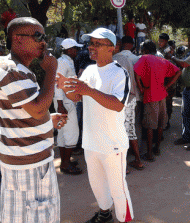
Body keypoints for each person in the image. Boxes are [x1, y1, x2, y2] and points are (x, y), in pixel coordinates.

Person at [56, 28, 133, 223]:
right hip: (91, 142)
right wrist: (66, 86)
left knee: (118, 188)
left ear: (112, 48)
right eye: (91, 43)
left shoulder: (119, 73)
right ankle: (105, 213)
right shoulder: (90, 70)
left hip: (112, 144)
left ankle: (125, 219)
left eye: (97, 44)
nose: (91, 47)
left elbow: (117, 105)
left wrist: (88, 90)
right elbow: (77, 96)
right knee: (97, 185)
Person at [0, 17, 64, 223]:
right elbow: (36, 109)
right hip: (30, 165)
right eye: (37, 36)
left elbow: (23, 112)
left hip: (24, 161)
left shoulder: (19, 70)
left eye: (44, 36)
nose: (43, 42)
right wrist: (52, 69)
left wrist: (46, 120)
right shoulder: (12, 71)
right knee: (39, 215)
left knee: (20, 215)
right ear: (17, 39)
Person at [134, 40, 181, 161]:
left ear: (145, 50)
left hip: (150, 95)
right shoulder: (162, 60)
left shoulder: (144, 58)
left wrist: (141, 87)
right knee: (160, 124)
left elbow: (136, 73)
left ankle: (149, 153)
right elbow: (178, 71)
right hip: (162, 94)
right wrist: (167, 85)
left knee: (150, 125)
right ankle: (157, 148)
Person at [113, 36, 143, 170]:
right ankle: (137, 160)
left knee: (120, 132)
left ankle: (122, 165)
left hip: (120, 101)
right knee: (130, 130)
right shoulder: (128, 59)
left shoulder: (116, 59)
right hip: (129, 99)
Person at [54, 38, 83, 175]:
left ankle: (65, 161)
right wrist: (60, 104)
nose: (76, 51)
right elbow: (57, 82)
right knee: (72, 133)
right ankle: (66, 164)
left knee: (63, 133)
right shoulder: (62, 62)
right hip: (64, 102)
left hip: (66, 101)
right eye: (75, 49)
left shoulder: (67, 61)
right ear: (69, 49)